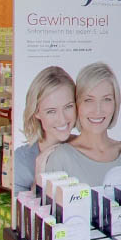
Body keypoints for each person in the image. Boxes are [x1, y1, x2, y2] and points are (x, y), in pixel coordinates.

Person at [43, 62, 121, 186]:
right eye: (88, 100)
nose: (98, 110)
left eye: (106, 99)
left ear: (115, 103)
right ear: (77, 104)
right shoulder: (60, 158)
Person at [13, 66, 77, 194]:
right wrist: (39, 177)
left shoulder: (86, 148)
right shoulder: (21, 160)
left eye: (68, 106)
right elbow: (19, 207)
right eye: (51, 111)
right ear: (36, 112)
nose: (62, 119)